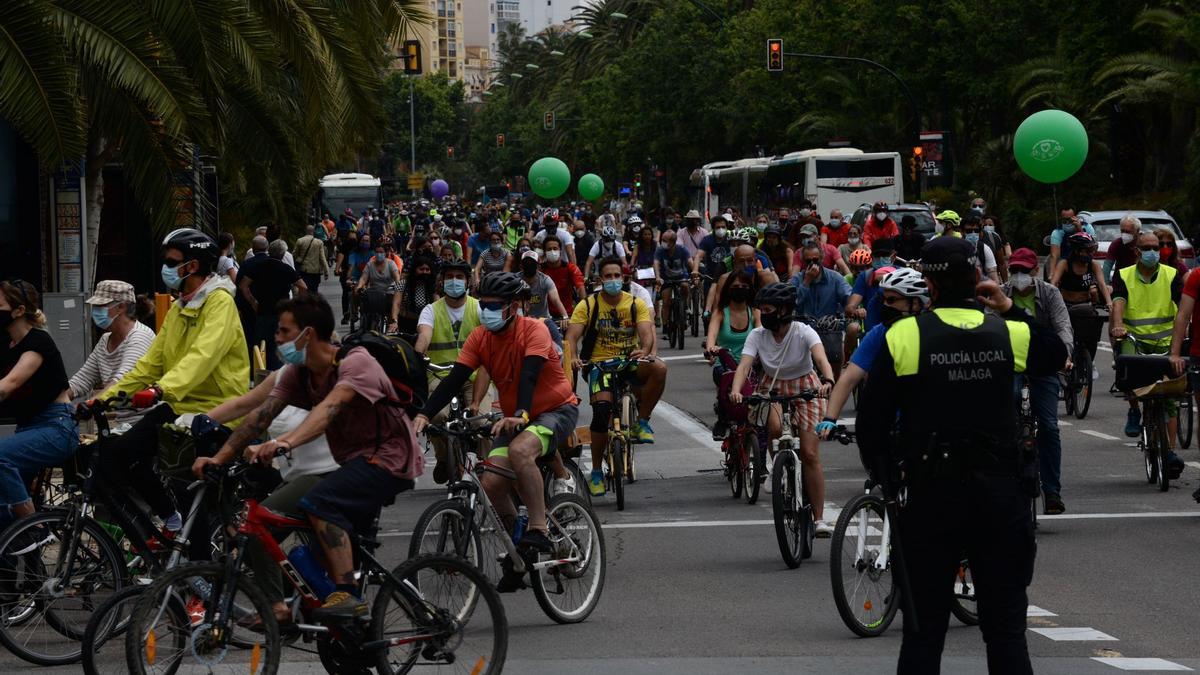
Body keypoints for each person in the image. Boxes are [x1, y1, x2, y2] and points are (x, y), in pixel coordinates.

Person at [855, 236, 1066, 674]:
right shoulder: (1011, 331)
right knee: (1006, 633)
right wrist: (1009, 306)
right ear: (977, 278)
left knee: (923, 634)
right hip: (1002, 498)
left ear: (929, 287)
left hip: (932, 497)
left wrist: (890, 480)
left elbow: (871, 425)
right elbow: (1055, 354)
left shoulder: (905, 335)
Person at [194, 294, 421, 620]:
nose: (277, 338)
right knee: (256, 527)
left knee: (321, 501)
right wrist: (219, 457)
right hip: (352, 462)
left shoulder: (356, 363)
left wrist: (284, 442)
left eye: (284, 331)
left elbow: (329, 411)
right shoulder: (297, 373)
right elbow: (260, 416)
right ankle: (278, 609)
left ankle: (348, 593)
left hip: (389, 459)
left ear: (308, 334)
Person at [414, 273, 578, 560]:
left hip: (554, 410)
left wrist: (521, 413)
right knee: (490, 485)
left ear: (513, 306)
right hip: (514, 418)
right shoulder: (480, 337)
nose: (487, 311)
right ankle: (519, 546)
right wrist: (424, 415)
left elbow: (529, 375)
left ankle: (538, 529)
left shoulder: (534, 330)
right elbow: (454, 380)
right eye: (485, 305)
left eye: (494, 305)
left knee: (521, 449)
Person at [107, 229, 249, 537]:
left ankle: (197, 570)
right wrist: (106, 398)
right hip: (179, 406)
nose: (166, 268)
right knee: (119, 454)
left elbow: (202, 356)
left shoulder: (219, 303)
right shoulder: (180, 306)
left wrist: (160, 389)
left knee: (187, 489)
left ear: (193, 266)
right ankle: (170, 520)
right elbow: (152, 361)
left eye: (172, 262)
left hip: (215, 412)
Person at [195, 369, 339, 623]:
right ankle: (298, 600)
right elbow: (245, 405)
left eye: (285, 331)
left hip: (327, 474)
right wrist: (195, 423)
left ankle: (277, 608)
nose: (278, 338)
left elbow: (318, 423)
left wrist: (277, 442)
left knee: (255, 532)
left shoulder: (327, 374)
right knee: (244, 539)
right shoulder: (286, 374)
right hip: (294, 476)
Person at [729, 282, 835, 531]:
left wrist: (828, 380)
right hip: (772, 387)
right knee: (775, 428)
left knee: (809, 454)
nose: (764, 314)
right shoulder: (758, 335)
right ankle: (780, 471)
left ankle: (819, 519)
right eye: (761, 309)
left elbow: (820, 357)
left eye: (768, 309)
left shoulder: (803, 331)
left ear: (784, 309)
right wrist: (736, 389)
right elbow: (744, 365)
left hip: (808, 387)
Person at [566, 258, 667, 496]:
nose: (613, 280)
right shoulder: (588, 305)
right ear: (601, 280)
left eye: (616, 276)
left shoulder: (635, 303)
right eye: (608, 276)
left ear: (623, 278)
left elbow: (646, 332)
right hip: (598, 366)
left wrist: (644, 349)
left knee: (660, 369)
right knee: (601, 413)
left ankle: (642, 421)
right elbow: (572, 336)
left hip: (629, 361)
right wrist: (573, 356)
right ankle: (598, 471)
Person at [817, 268, 930, 438]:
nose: (885, 305)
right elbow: (848, 378)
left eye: (892, 300)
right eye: (884, 299)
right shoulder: (879, 332)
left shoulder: (933, 330)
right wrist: (830, 418)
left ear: (915, 303)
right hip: (888, 422)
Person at [0, 281, 78, 526]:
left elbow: (7, 385)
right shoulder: (7, 346)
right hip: (29, 428)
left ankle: (35, 528)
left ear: (19, 310)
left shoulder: (38, 342)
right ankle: (17, 554)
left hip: (56, 428)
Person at [1005, 247, 1073, 514]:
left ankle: (1052, 491)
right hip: (1009, 365)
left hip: (1044, 364)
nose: (1019, 276)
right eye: (1014, 271)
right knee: (1004, 424)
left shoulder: (1050, 293)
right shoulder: (999, 293)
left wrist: (1065, 356)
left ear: (1035, 272)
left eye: (1024, 270)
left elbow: (1063, 327)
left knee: (1049, 426)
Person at [1111, 232, 1185, 476]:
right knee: (1127, 372)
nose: (1154, 251)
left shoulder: (1171, 274)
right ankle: (1134, 410)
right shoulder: (1123, 275)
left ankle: (1170, 452)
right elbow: (1118, 301)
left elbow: (1182, 308)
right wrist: (1118, 325)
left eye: (1157, 247)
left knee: (1171, 399)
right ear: (1137, 251)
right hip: (1134, 338)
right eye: (1148, 247)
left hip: (1165, 341)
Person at [414, 259, 493, 484]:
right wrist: (419, 350)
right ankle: (442, 458)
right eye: (449, 277)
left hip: (475, 377)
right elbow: (424, 335)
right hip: (440, 376)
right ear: (442, 282)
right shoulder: (430, 310)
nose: (454, 282)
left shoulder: (478, 308)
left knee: (481, 422)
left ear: (468, 282)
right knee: (436, 416)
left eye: (459, 277)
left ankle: (488, 469)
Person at [69, 280, 156, 398]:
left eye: (100, 306)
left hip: (139, 416)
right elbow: (82, 380)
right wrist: (58, 398)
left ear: (121, 307)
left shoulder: (140, 336)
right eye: (94, 306)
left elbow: (122, 381)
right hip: (112, 413)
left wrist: (91, 403)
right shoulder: (105, 340)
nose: (95, 311)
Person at [704, 273, 759, 440]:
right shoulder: (721, 313)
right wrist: (711, 351)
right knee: (723, 376)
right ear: (728, 290)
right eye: (735, 287)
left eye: (744, 287)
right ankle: (722, 419)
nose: (740, 291)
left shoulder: (755, 312)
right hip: (725, 366)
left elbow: (761, 333)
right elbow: (711, 336)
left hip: (750, 366)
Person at [239, 239, 306, 370]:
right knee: (279, 344)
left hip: (262, 310)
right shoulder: (286, 269)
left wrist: (253, 301)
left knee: (260, 344)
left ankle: (259, 371)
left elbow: (243, 285)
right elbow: (303, 287)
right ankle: (278, 373)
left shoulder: (258, 266)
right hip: (281, 312)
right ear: (282, 254)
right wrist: (296, 303)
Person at [792, 241, 853, 375]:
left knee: (836, 355)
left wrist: (852, 307)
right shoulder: (797, 279)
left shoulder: (835, 277)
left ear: (821, 258)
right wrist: (806, 282)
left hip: (829, 328)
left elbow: (848, 296)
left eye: (816, 260)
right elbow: (792, 303)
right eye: (808, 261)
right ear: (803, 261)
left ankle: (835, 385)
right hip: (804, 328)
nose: (813, 263)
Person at [846, 238, 898, 332]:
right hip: (872, 330)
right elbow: (850, 307)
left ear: (893, 256)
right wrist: (856, 311)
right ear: (872, 257)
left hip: (897, 328)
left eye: (885, 255)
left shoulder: (903, 274)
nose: (881, 259)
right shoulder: (865, 277)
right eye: (877, 256)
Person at [355, 239, 403, 333]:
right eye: (377, 252)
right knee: (363, 302)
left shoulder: (391, 264)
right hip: (374, 294)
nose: (379, 254)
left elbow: (396, 276)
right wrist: (359, 286)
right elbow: (364, 278)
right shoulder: (370, 264)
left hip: (388, 293)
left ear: (385, 253)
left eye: (381, 252)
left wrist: (398, 286)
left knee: (392, 309)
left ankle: (391, 327)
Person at [654, 229, 695, 333]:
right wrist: (658, 277)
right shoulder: (660, 250)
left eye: (665, 240)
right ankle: (665, 325)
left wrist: (695, 272)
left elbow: (690, 262)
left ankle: (685, 306)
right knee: (666, 300)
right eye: (662, 240)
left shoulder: (682, 249)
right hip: (666, 279)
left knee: (685, 286)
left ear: (672, 242)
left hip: (681, 277)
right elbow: (656, 263)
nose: (662, 242)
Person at [541, 237, 585, 315]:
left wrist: (586, 308)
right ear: (544, 252)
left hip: (567, 314)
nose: (552, 251)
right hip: (546, 315)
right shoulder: (540, 270)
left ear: (560, 251)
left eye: (555, 248)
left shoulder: (570, 268)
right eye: (549, 249)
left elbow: (580, 287)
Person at [518, 250, 567, 320]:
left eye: (532, 264)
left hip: (543, 320)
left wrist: (565, 317)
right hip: (522, 320)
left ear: (538, 267)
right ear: (521, 266)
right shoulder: (515, 280)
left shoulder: (545, 280)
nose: (529, 266)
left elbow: (556, 300)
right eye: (526, 263)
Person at [1047, 207, 1096, 273]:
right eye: (1064, 220)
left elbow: (1092, 248)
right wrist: (1052, 273)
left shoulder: (1087, 227)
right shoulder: (1058, 232)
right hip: (1066, 267)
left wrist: (1079, 229)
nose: (1067, 223)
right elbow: (1054, 255)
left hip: (1085, 264)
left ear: (1076, 217)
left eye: (1069, 220)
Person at [1102, 214, 1142, 283]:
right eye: (1122, 231)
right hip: (1120, 283)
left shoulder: (1145, 243)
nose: (1124, 234)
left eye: (1128, 232)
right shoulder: (1117, 244)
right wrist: (1106, 286)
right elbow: (1107, 266)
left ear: (1137, 231)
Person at [962, 215, 999, 282]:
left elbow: (994, 278)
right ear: (962, 232)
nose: (973, 233)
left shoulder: (984, 249)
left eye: (976, 230)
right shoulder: (956, 249)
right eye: (969, 231)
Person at [294, 225, 329, 297]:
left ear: (306, 231)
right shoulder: (319, 242)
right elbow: (322, 258)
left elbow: (294, 254)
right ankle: (313, 305)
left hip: (304, 271)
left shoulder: (300, 241)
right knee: (314, 290)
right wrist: (326, 271)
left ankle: (305, 304)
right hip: (316, 272)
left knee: (304, 289)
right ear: (313, 232)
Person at [981, 213, 1010, 282]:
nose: (987, 227)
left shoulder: (997, 238)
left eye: (990, 225)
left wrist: (1005, 283)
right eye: (985, 225)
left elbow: (1004, 260)